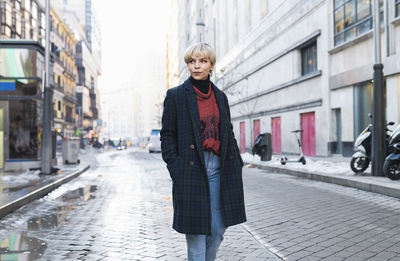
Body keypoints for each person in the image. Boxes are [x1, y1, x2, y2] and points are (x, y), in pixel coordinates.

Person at [160, 42, 246, 261]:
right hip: (191, 169)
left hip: (219, 168)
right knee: (196, 233)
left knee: (217, 229)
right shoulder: (176, 96)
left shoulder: (221, 97)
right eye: (192, 61)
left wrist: (236, 162)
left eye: (202, 61)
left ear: (211, 65)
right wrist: (176, 167)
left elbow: (228, 133)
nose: (196, 66)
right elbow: (167, 135)